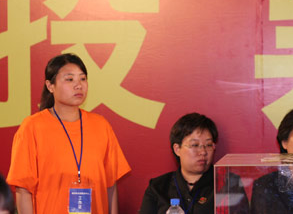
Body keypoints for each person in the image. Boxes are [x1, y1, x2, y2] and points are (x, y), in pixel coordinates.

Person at [7, 53, 131, 214]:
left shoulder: (101, 125)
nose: (78, 85)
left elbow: (110, 185)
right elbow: (23, 190)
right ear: (50, 86)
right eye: (69, 79)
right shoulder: (32, 127)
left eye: (83, 78)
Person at [139, 113, 249, 214]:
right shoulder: (158, 187)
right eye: (195, 145)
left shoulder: (229, 184)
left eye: (209, 145)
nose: (203, 152)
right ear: (177, 149)